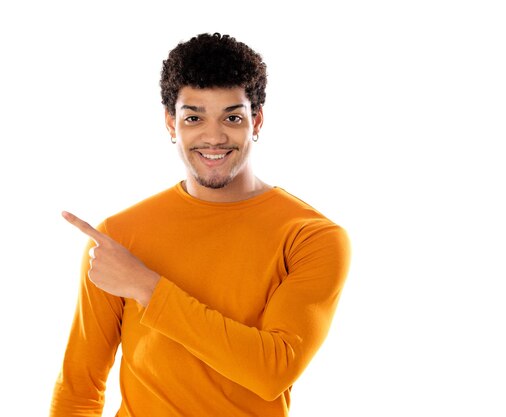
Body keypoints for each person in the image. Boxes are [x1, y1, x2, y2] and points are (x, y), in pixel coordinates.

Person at [49, 32, 351, 417]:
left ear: (256, 120)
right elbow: (79, 389)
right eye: (193, 117)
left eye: (232, 117)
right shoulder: (117, 238)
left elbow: (272, 369)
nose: (213, 137)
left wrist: (146, 287)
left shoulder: (312, 237)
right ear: (171, 123)